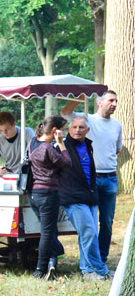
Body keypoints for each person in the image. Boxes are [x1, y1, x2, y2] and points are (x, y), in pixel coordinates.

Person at [57, 113, 110, 280]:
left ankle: (87, 269)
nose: (77, 130)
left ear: (88, 130)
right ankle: (99, 270)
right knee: (89, 233)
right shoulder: (62, 146)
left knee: (88, 234)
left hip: (90, 196)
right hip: (73, 197)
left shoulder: (88, 145)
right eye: (74, 127)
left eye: (81, 127)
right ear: (69, 129)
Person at [27, 116, 69, 280]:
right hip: (48, 194)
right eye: (63, 130)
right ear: (55, 130)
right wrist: (61, 143)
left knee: (49, 232)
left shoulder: (32, 143)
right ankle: (40, 269)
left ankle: (52, 262)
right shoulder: (48, 148)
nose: (64, 133)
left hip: (33, 195)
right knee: (47, 233)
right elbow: (67, 163)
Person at [86, 90, 124, 267]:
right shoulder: (89, 120)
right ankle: (91, 259)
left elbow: (117, 149)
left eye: (116, 101)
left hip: (110, 179)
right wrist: (82, 94)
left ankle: (102, 259)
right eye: (110, 100)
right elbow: (66, 114)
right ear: (99, 102)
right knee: (91, 223)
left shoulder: (117, 125)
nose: (114, 104)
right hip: (92, 179)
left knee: (107, 222)